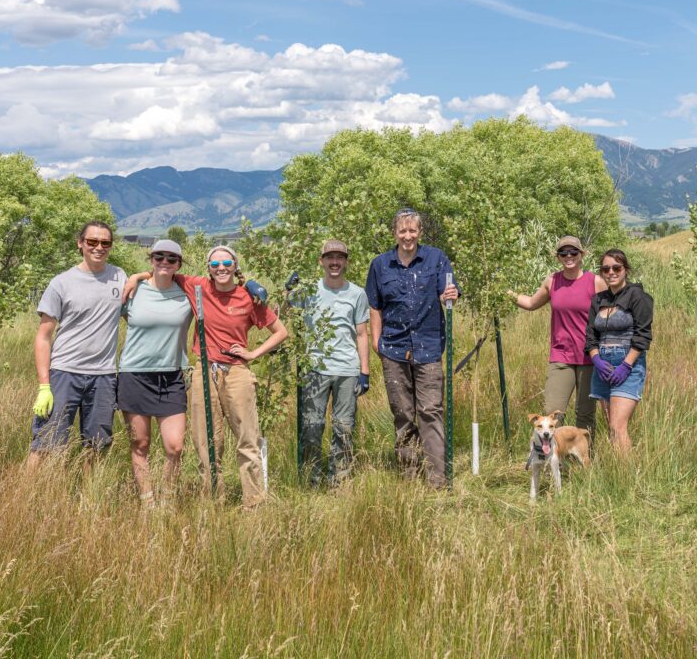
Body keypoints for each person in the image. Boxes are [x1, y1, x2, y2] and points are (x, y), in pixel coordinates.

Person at [124, 245, 288, 508]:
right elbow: (163, 271)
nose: (221, 268)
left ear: (235, 266)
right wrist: (136, 277)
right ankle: (213, 502)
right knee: (207, 442)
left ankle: (254, 504)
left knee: (247, 438)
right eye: (214, 265)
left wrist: (253, 353)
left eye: (226, 263)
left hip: (236, 371)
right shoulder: (196, 287)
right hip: (204, 369)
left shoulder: (248, 297)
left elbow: (280, 332)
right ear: (208, 269)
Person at [365, 208, 459, 489]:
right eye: (402, 231)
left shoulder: (437, 259)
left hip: (429, 347)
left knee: (431, 410)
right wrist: (377, 342)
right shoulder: (380, 265)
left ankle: (436, 479)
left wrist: (449, 295)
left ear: (420, 232)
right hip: (393, 349)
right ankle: (409, 474)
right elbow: (375, 306)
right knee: (403, 413)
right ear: (394, 233)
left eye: (412, 230)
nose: (408, 236)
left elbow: (447, 293)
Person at [28, 221, 126, 469]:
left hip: (103, 377)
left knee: (96, 446)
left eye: (105, 243)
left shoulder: (120, 277)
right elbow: (43, 336)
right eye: (92, 242)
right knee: (46, 443)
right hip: (64, 374)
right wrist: (44, 386)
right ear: (80, 243)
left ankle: (87, 500)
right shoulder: (61, 283)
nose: (98, 247)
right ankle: (25, 497)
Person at [118, 239, 193, 507]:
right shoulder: (133, 291)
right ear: (151, 259)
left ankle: (167, 501)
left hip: (171, 376)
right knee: (140, 444)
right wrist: (137, 277)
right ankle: (148, 504)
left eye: (171, 259)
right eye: (159, 257)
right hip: (134, 374)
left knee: (174, 446)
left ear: (178, 265)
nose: (164, 262)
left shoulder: (187, 293)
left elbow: (221, 285)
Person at [509, 236, 607, 439]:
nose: (569, 256)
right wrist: (504, 293)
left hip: (590, 356)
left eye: (573, 252)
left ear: (582, 255)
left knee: (585, 414)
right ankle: (553, 461)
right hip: (561, 355)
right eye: (564, 253)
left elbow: (610, 316)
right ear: (558, 257)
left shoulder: (595, 282)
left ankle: (583, 463)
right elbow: (530, 303)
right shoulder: (552, 281)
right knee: (553, 413)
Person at [294, 239, 371, 486]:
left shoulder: (357, 294)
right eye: (330, 258)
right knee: (312, 426)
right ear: (322, 261)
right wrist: (288, 291)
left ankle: (340, 479)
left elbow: (361, 334)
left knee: (344, 427)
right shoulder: (308, 291)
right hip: (315, 369)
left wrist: (364, 371)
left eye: (339, 257)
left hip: (347, 370)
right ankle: (312, 479)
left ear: (346, 262)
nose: (335, 262)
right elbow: (281, 311)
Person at [584, 249, 653, 454]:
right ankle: (617, 478)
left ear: (626, 269)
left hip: (628, 365)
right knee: (610, 427)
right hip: (602, 366)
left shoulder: (638, 296)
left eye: (617, 268)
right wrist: (596, 359)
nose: (611, 272)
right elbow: (590, 336)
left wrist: (626, 365)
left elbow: (643, 335)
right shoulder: (598, 300)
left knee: (618, 426)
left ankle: (629, 481)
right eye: (606, 268)